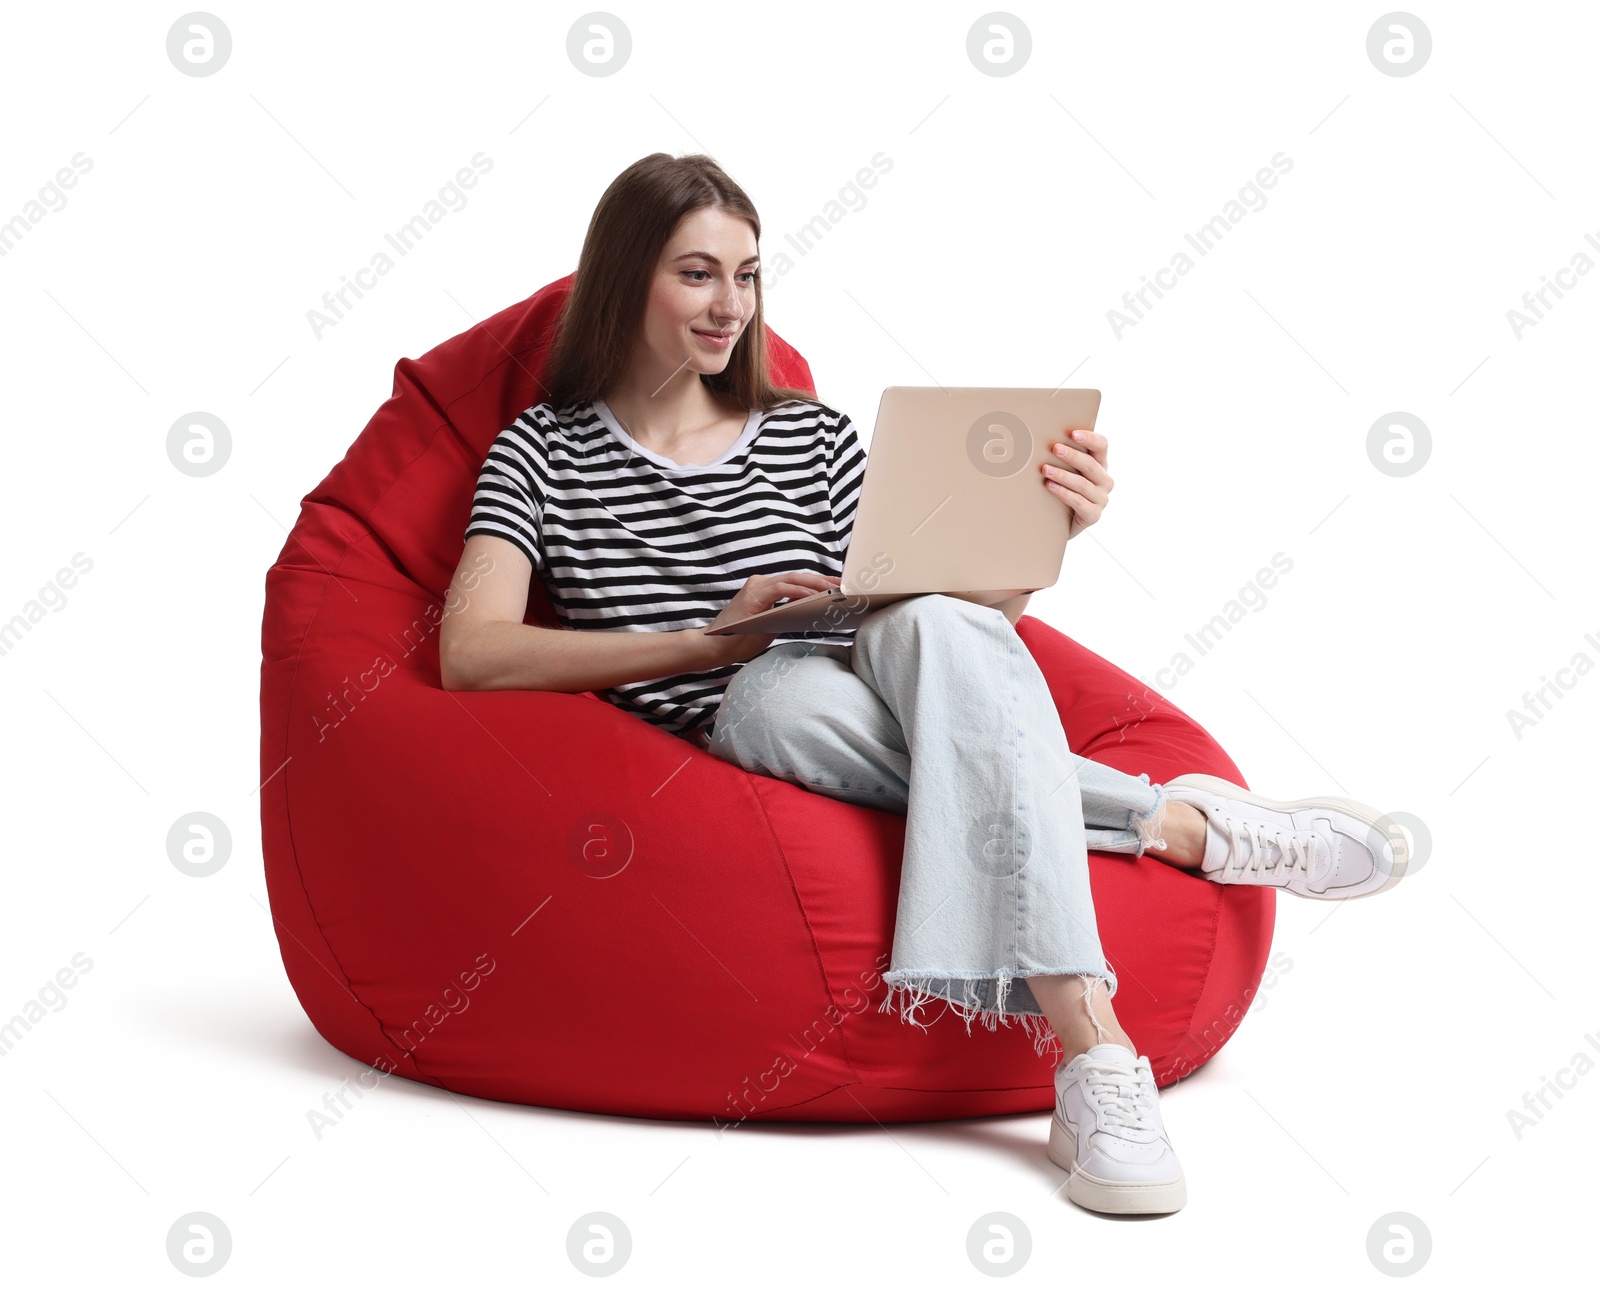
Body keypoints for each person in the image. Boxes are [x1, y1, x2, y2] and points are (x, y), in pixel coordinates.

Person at [438, 152, 1408, 1217]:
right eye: (698, 274)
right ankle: (1166, 845)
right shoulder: (543, 454)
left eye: (749, 276)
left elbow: (958, 622)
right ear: (627, 278)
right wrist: (706, 645)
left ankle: (1093, 1061)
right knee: (785, 697)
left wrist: (1047, 537)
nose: (731, 307)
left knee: (940, 615)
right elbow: (472, 650)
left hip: (881, 658)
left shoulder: (810, 432)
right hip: (738, 697)